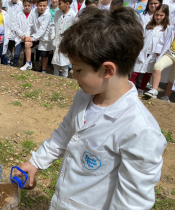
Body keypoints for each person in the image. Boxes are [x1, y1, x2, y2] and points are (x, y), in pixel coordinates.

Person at [17, 7, 167, 209]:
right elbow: (64, 133)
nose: (74, 76)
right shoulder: (84, 97)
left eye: (78, 70)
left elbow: (132, 201)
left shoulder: (140, 130)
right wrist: (36, 162)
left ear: (107, 70)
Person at [131, 5, 170, 95]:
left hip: (153, 54)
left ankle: (141, 90)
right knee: (135, 72)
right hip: (143, 52)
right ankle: (129, 90)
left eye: (161, 15)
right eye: (156, 15)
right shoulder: (148, 25)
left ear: (165, 16)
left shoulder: (166, 28)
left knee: (147, 74)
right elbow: (141, 37)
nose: (158, 17)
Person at [20, 0, 52, 73]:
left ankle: (43, 70)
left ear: (47, 5)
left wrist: (33, 38)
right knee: (27, 43)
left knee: (44, 55)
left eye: (44, 6)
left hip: (44, 37)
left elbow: (42, 29)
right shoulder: (33, 11)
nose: (42, 8)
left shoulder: (47, 14)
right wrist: (28, 36)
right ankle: (28, 63)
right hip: (35, 34)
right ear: (37, 5)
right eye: (40, 5)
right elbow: (29, 24)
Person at [146, 22, 175, 99]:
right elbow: (161, 41)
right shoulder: (170, 28)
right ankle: (154, 90)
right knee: (157, 66)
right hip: (169, 54)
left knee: (173, 78)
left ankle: (166, 96)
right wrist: (158, 53)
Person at [50, 0, 76, 77]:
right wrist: (53, 36)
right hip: (56, 41)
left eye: (60, 4)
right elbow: (53, 25)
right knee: (55, 62)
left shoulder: (73, 15)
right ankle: (55, 76)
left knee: (64, 63)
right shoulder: (57, 13)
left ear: (67, 4)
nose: (58, 5)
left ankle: (64, 78)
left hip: (65, 43)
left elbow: (74, 30)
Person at [13, 0, 32, 67]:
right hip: (20, 38)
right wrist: (22, 35)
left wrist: (27, 37)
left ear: (31, 5)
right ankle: (14, 66)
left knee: (26, 55)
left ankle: (25, 67)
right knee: (16, 54)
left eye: (28, 5)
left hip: (29, 38)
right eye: (25, 5)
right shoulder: (19, 14)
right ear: (23, 5)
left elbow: (32, 27)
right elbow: (16, 26)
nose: (27, 7)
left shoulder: (33, 15)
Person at [4, 0, 24, 65]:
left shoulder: (21, 5)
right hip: (9, 28)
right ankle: (9, 59)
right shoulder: (7, 3)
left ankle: (16, 60)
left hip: (18, 29)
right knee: (9, 45)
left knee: (17, 46)